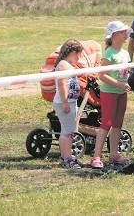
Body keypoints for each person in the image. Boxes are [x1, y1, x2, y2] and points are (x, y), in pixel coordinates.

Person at [91, 21, 133, 169]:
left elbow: (127, 72)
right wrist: (119, 84)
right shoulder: (108, 54)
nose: (125, 35)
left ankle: (114, 154)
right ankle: (96, 155)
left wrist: (128, 83)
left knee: (117, 124)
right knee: (106, 123)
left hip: (122, 93)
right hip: (110, 92)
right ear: (114, 36)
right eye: (122, 32)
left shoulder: (125, 53)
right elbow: (102, 75)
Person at [53, 39, 84, 170]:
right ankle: (67, 158)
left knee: (65, 131)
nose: (79, 58)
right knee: (68, 132)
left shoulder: (65, 64)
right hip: (65, 103)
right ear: (72, 52)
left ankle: (64, 155)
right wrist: (65, 102)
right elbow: (61, 84)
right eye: (78, 55)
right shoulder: (64, 65)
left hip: (69, 102)